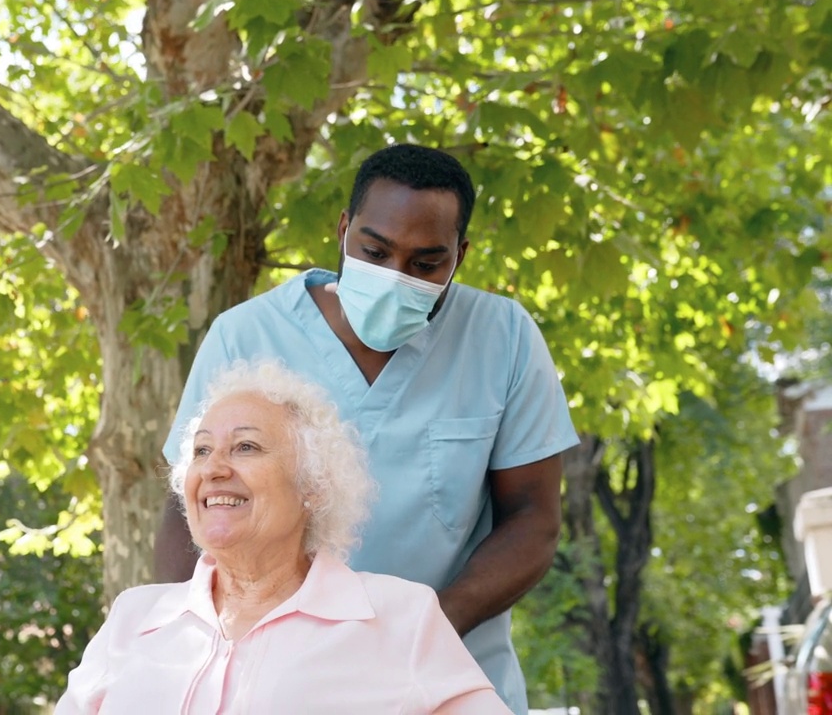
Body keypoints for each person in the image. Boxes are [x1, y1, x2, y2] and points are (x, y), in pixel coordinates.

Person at [155, 143, 580, 714]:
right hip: (272, 684)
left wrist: (416, 634)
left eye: (426, 264)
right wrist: (193, 658)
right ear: (344, 229)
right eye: (374, 251)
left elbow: (532, 519)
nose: (394, 276)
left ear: (461, 255)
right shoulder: (244, 337)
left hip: (450, 675)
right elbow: (192, 514)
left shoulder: (502, 337)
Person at [58, 361, 511, 714]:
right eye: (201, 451)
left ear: (311, 486)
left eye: (246, 447)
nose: (214, 468)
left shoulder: (401, 618)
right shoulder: (134, 617)